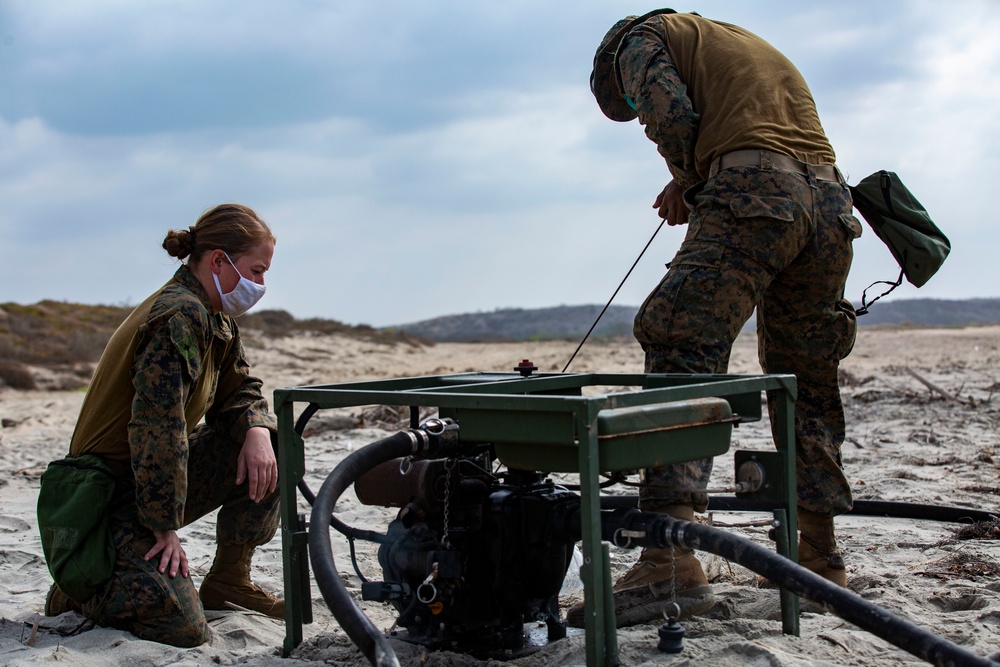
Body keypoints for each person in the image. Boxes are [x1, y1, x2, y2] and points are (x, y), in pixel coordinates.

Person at [575, 10, 862, 627]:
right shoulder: (734, 41)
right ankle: (819, 558)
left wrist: (688, 177)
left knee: (679, 336)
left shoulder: (639, 39)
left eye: (625, 103)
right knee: (805, 375)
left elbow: (670, 113)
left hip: (757, 191)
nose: (632, 108)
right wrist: (697, 177)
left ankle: (669, 559)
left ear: (612, 71)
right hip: (831, 204)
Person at [42, 203, 284, 647]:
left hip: (145, 478)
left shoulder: (214, 315)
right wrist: (164, 527)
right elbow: (157, 428)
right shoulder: (179, 316)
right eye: (256, 270)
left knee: (274, 444)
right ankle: (82, 590)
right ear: (218, 261)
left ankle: (229, 581)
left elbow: (240, 388)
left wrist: (256, 429)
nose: (261, 285)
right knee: (183, 627)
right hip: (104, 495)